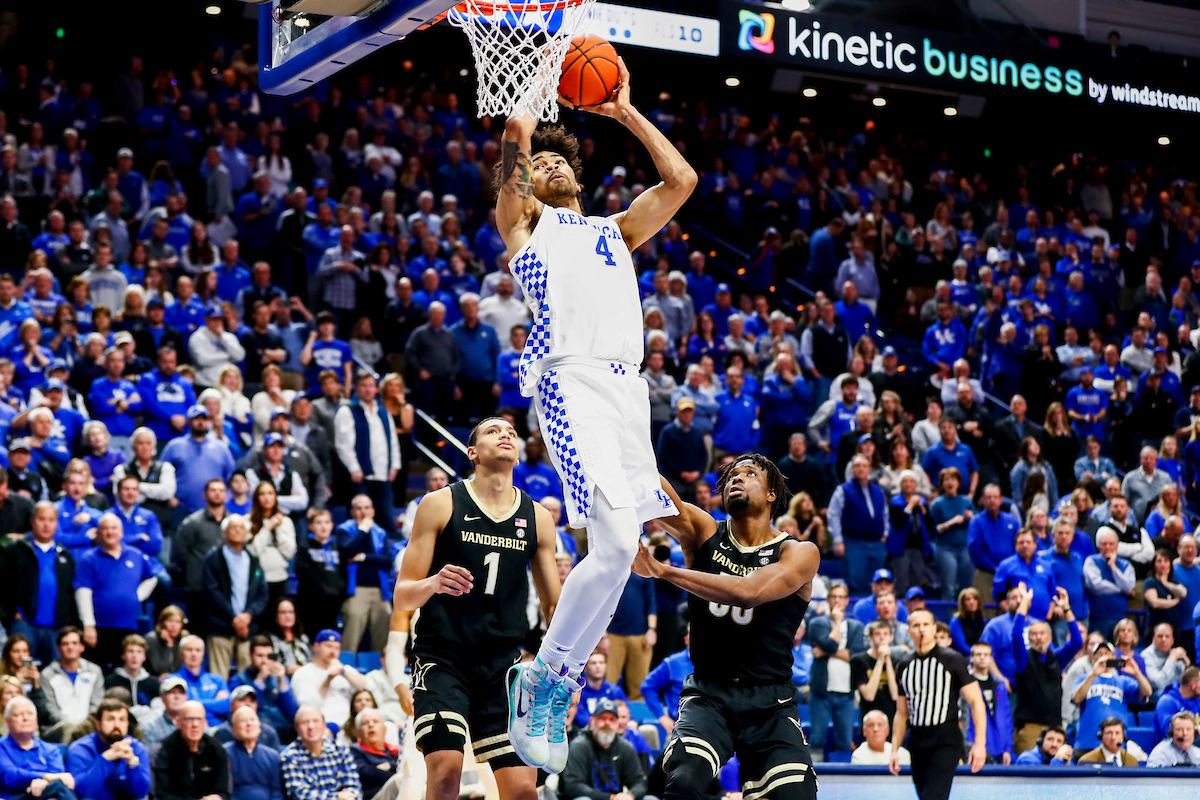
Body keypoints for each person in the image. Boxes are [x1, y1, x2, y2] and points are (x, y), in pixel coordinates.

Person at [498, 64, 696, 769]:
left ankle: (553, 681)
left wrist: (627, 115)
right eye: (538, 164)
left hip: (626, 395)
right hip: (570, 380)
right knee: (612, 547)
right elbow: (518, 132)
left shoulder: (614, 229)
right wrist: (541, 74)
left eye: (558, 160)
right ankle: (545, 675)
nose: (546, 165)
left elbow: (682, 183)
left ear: (578, 178)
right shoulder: (526, 225)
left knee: (619, 558)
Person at [632, 454, 820, 800]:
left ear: (771, 494)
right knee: (684, 781)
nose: (737, 478)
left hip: (771, 699)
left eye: (749, 474)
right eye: (732, 474)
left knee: (796, 795)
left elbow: (750, 593)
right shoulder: (705, 532)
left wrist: (664, 571)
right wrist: (626, 443)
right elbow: (648, 489)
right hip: (709, 693)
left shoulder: (799, 552)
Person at [390, 416, 561, 789]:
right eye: (493, 431)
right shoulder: (439, 503)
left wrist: (560, 670)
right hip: (443, 657)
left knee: (522, 790)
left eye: (512, 433)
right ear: (472, 453)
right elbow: (402, 595)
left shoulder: (539, 518)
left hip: (503, 664)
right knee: (447, 772)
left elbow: (554, 608)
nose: (506, 435)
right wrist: (434, 582)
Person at [889, 609, 988, 800]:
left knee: (931, 797)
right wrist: (894, 750)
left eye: (926, 624)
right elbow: (901, 713)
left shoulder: (953, 660)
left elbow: (976, 701)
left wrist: (979, 744)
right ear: (909, 630)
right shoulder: (904, 665)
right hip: (917, 740)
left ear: (934, 629)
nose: (921, 630)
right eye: (916, 625)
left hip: (945, 738)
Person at [75, 514, 157, 672]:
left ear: (121, 532)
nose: (109, 532)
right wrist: (88, 624)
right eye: (105, 528)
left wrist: (137, 597)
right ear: (99, 532)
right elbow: (82, 592)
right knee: (98, 671)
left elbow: (151, 578)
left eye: (113, 528)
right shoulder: (89, 559)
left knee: (124, 673)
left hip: (128, 626)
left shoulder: (135, 555)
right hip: (99, 627)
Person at [0, 501, 76, 665]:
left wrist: (66, 616)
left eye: (51, 520)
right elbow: (3, 583)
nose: (46, 524)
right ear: (33, 521)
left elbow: (70, 589)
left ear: (57, 523)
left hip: (56, 627)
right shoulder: (16, 550)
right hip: (24, 624)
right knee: (21, 669)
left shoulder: (65, 554)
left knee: (54, 674)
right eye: (42, 519)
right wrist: (14, 611)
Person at [1010, 583, 1083, 754]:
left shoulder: (1056, 658)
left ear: (1050, 637)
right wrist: (1025, 602)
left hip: (1055, 728)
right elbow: (1015, 634)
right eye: (1033, 634)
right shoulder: (1024, 658)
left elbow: (1077, 641)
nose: (1037, 638)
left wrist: (1067, 609)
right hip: (1030, 727)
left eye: (1042, 633)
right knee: (1029, 776)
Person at [334, 372, 401, 540]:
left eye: (371, 386)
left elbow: (392, 440)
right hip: (360, 476)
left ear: (376, 389)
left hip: (382, 474)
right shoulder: (347, 411)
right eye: (363, 386)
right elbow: (343, 444)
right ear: (356, 388)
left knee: (387, 517)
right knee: (359, 518)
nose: (367, 390)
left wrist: (394, 464)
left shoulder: (383, 412)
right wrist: (354, 468)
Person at [203, 514, 269, 680]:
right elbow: (211, 592)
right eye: (234, 527)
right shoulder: (213, 558)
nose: (238, 531)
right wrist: (234, 618)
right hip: (220, 626)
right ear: (224, 533)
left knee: (246, 678)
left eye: (242, 528)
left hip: (247, 627)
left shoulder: (253, 561)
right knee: (219, 677)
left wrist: (248, 615)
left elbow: (262, 593)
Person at [805, 580, 865, 759]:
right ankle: (814, 778)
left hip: (846, 693)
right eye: (834, 597)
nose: (838, 601)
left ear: (847, 601)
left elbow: (855, 655)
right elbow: (831, 645)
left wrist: (824, 651)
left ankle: (844, 779)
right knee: (817, 739)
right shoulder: (817, 623)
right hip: (821, 692)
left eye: (841, 597)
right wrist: (837, 623)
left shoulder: (856, 626)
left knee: (845, 741)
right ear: (828, 600)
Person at [336, 496, 399, 654]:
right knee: (351, 637)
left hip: (380, 592)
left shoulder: (380, 532)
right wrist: (362, 529)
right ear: (352, 512)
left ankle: (380, 669)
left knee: (383, 637)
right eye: (359, 508)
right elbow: (348, 550)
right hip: (356, 590)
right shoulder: (344, 530)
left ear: (372, 511)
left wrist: (364, 557)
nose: (363, 512)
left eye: (366, 508)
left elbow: (388, 560)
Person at [1071, 639, 1152, 751]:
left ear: (1113, 657)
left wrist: (1137, 673)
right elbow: (1076, 698)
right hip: (1087, 742)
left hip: (1116, 743)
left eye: (1107, 654)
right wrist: (1093, 674)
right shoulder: (1084, 678)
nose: (1104, 657)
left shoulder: (1123, 681)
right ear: (1093, 658)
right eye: (1100, 654)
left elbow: (1147, 692)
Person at [560, 698, 648, 800]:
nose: (607, 723)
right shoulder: (579, 746)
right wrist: (610, 798)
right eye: (602, 718)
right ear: (592, 721)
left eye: (612, 719)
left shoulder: (625, 747)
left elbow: (639, 782)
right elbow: (572, 786)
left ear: (617, 723)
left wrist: (631, 795)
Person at [172, 478, 230, 630]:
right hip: (198, 588)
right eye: (213, 490)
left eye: (221, 490)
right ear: (205, 495)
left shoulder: (233, 524)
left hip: (225, 588)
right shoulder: (192, 522)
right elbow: (180, 553)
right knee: (197, 631)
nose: (217, 494)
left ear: (226, 495)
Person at [66, 698, 151, 800]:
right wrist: (105, 759)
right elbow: (83, 792)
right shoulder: (80, 749)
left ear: (127, 724)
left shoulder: (137, 748)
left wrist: (132, 764)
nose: (116, 725)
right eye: (110, 719)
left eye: (122, 720)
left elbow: (142, 792)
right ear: (98, 724)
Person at [827, 455, 890, 594]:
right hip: (854, 543)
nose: (861, 469)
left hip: (877, 544)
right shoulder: (844, 489)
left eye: (864, 466)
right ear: (853, 469)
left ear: (870, 469)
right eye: (858, 466)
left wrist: (885, 533)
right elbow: (833, 515)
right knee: (856, 582)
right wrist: (837, 540)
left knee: (875, 584)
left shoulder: (878, 490)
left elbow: (885, 513)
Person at [0, 696, 78, 800]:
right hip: (15, 797)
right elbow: (10, 776)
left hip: (47, 795)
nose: (25, 718)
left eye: (30, 714)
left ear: (36, 720)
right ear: (7, 721)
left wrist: (43, 783)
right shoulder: (2, 747)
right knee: (57, 787)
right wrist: (45, 777)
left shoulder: (50, 750)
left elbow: (58, 776)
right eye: (18, 715)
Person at [151, 700, 230, 800]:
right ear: (178, 722)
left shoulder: (216, 748)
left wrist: (218, 797)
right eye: (189, 719)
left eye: (199, 719)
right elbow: (160, 793)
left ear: (205, 723)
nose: (195, 725)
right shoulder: (163, 750)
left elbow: (224, 790)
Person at [279, 706, 362, 800]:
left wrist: (349, 797)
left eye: (315, 721)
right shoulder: (289, 756)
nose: (311, 726)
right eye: (305, 722)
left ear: (324, 725)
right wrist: (337, 797)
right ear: (297, 728)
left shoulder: (340, 749)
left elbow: (354, 786)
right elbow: (300, 795)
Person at [41, 626, 104, 742]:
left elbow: (97, 703)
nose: (70, 647)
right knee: (71, 725)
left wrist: (85, 723)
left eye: (74, 643)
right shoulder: (47, 674)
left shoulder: (94, 671)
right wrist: (74, 723)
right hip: (59, 726)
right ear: (59, 648)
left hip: (89, 725)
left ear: (82, 647)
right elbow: (50, 709)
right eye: (65, 644)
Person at [290, 630, 365, 726]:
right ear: (316, 647)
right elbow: (307, 705)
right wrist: (328, 680)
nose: (332, 652)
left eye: (336, 648)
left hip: (350, 725)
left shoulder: (346, 670)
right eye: (328, 646)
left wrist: (344, 672)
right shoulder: (303, 673)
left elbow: (367, 690)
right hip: (321, 725)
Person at [964, 641, 1013, 764]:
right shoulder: (966, 684)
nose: (982, 658)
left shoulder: (999, 685)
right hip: (974, 742)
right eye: (978, 654)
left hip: (999, 745)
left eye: (986, 655)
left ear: (991, 658)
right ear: (971, 657)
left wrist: (1007, 748)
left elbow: (1006, 717)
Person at [1084, 529, 1137, 637]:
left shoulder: (1125, 564)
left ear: (1117, 545)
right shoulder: (1092, 561)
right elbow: (1096, 585)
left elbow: (1129, 585)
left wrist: (1113, 567)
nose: (1108, 547)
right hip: (1098, 617)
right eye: (1104, 544)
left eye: (1111, 544)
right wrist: (1120, 590)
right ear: (1099, 546)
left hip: (1120, 616)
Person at [639, 628, 692, 736]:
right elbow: (647, 686)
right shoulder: (672, 663)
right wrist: (662, 716)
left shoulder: (718, 664)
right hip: (679, 727)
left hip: (709, 726)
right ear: (686, 639)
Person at [224, 706, 283, 800]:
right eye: (243, 720)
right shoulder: (225, 753)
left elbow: (277, 793)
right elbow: (225, 791)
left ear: (259, 726)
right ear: (233, 729)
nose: (249, 724)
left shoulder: (272, 756)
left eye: (253, 719)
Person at [172, 635, 230, 726]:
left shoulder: (217, 680)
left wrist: (191, 702)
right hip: (188, 726)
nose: (194, 654)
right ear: (180, 654)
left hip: (216, 727)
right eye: (189, 650)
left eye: (198, 650)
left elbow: (227, 705)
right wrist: (215, 702)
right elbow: (178, 707)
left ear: (203, 654)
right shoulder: (173, 681)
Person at [852, 620, 899, 726]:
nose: (882, 638)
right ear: (870, 637)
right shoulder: (859, 660)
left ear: (891, 637)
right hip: (869, 716)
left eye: (885, 634)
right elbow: (869, 695)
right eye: (877, 634)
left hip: (892, 718)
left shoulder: (897, 662)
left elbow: (895, 695)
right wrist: (880, 660)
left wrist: (887, 661)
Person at [348, 708, 399, 800]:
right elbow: (366, 774)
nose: (371, 725)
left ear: (384, 729)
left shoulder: (396, 750)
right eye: (365, 723)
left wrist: (388, 766)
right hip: (373, 796)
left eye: (375, 721)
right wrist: (394, 770)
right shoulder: (354, 751)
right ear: (358, 732)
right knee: (400, 781)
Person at [104, 634, 160, 710]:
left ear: (144, 657)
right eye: (130, 651)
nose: (134, 656)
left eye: (139, 652)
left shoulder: (154, 683)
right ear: (123, 655)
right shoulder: (110, 681)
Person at [574, 652, 627, 730]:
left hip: (612, 730)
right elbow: (580, 717)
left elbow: (625, 713)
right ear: (585, 668)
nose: (598, 666)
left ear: (605, 666)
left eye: (601, 663)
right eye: (593, 663)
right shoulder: (578, 692)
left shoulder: (615, 690)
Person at [1142, 623, 1190, 693]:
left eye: (1167, 636)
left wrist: (1187, 666)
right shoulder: (1146, 655)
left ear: (1172, 641)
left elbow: (1185, 682)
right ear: (1153, 639)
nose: (1163, 640)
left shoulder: (1176, 654)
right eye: (1160, 636)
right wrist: (1172, 659)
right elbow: (1158, 684)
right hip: (1156, 694)